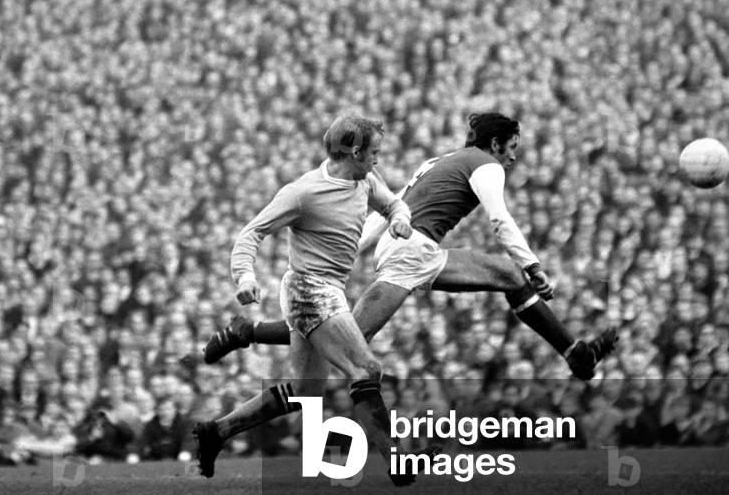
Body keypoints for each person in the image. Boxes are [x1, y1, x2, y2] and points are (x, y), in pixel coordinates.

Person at [203, 113, 617, 382]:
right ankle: (248, 331)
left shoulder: (440, 161)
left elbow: (391, 204)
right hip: (410, 251)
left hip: (406, 245)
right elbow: (498, 218)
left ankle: (574, 352)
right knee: (355, 339)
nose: (514, 157)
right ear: (495, 145)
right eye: (512, 148)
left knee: (507, 277)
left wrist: (362, 245)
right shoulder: (485, 166)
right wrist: (533, 263)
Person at [193, 114, 414, 484]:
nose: (379, 159)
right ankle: (397, 460)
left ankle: (216, 432)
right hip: (308, 290)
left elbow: (394, 205)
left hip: (328, 289)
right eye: (374, 152)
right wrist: (244, 275)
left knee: (305, 393)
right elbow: (251, 234)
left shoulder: (365, 180)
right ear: (355, 151)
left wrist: (399, 219)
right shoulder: (304, 192)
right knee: (366, 370)